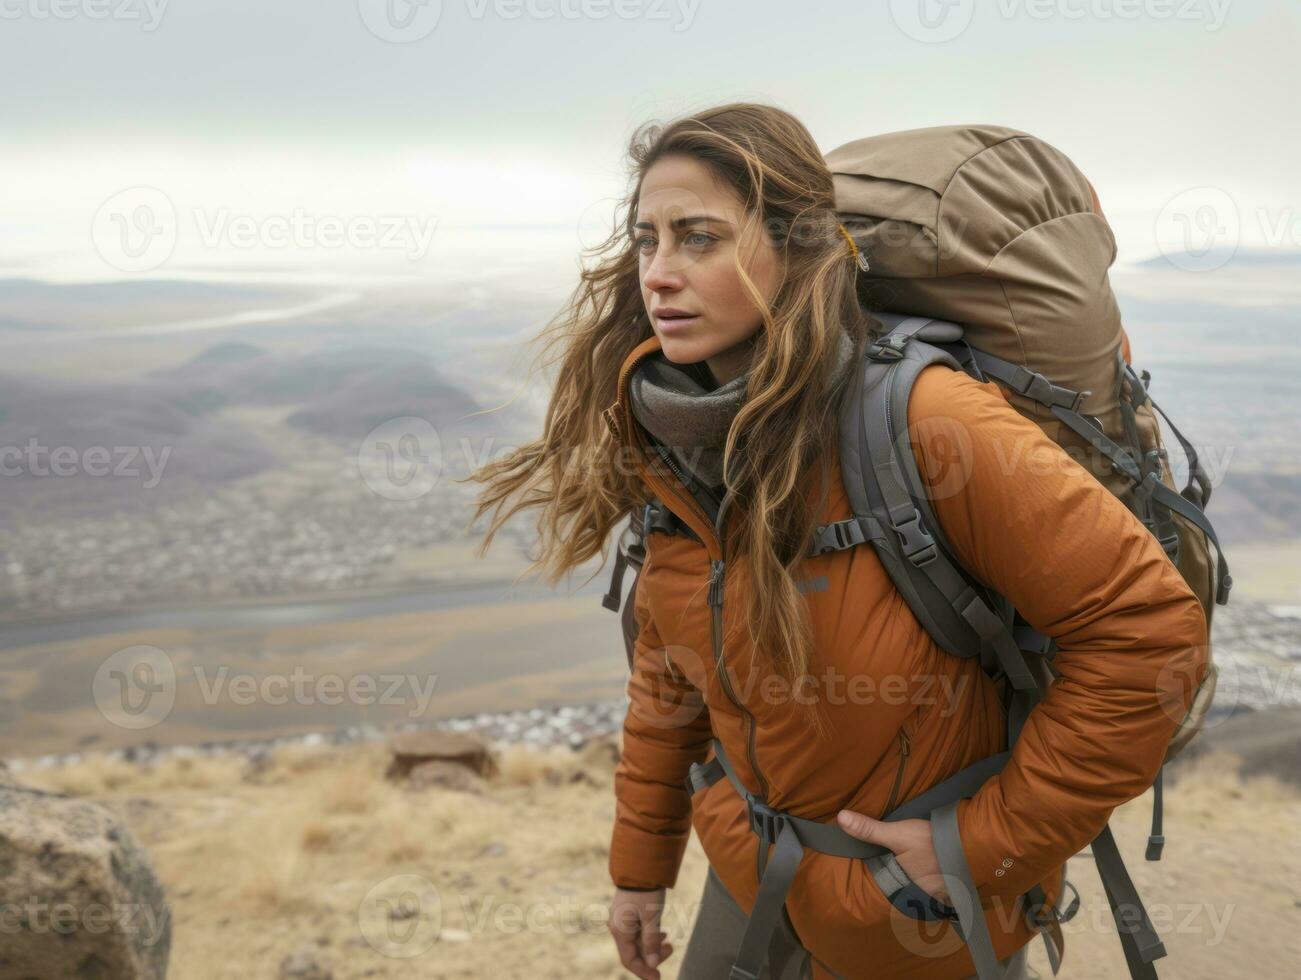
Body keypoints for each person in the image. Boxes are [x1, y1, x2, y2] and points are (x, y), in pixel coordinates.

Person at [464, 102, 1209, 980]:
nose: (657, 274)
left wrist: (981, 849)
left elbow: (1147, 633)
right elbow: (670, 669)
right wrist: (640, 870)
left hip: (914, 915)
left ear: (794, 247)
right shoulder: (676, 435)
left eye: (698, 237)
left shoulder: (926, 422)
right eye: (645, 240)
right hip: (748, 883)